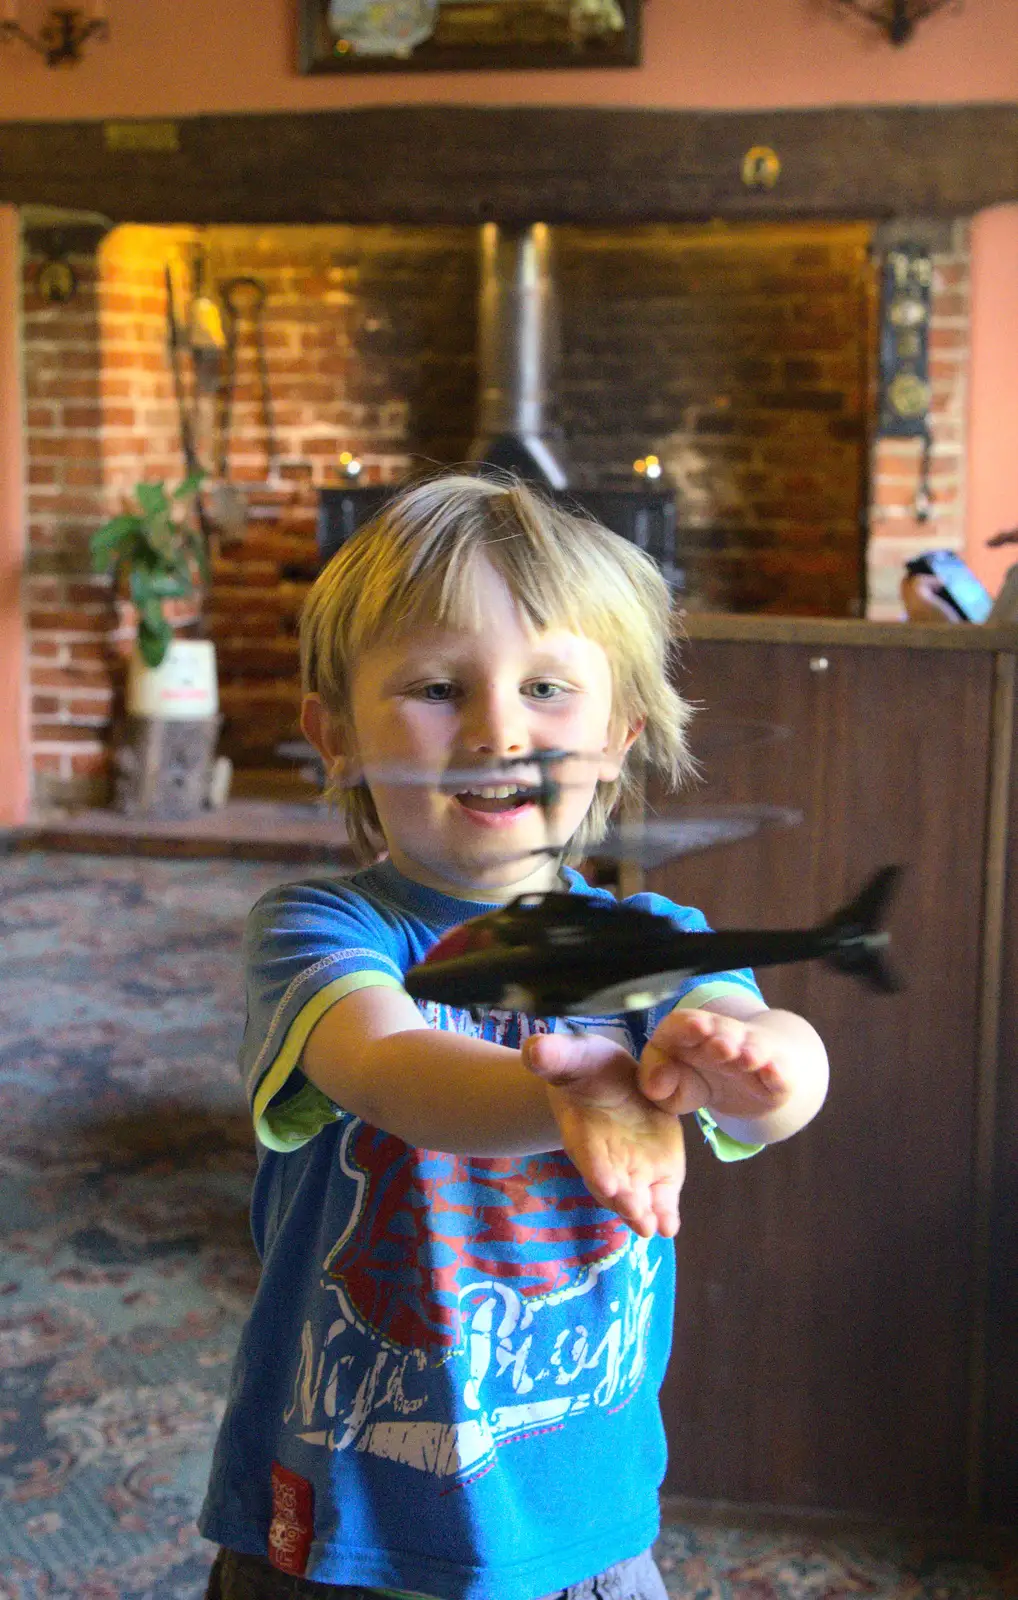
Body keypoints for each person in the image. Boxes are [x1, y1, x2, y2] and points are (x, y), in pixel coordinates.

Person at [199, 474, 829, 1600]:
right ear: (335, 737)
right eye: (439, 687)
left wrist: (772, 1058)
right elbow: (386, 1065)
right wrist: (556, 1092)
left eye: (545, 687)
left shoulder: (653, 942)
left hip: (575, 1529)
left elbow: (765, 1082)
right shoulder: (322, 928)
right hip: (335, 1524)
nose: (498, 728)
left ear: (617, 737)